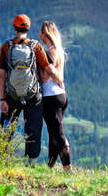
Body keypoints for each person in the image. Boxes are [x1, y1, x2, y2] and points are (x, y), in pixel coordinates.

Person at [0, 14, 64, 164]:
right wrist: (60, 81)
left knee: (7, 125)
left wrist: (3, 99)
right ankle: (30, 162)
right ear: (28, 28)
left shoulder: (5, 47)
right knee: (33, 127)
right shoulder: (35, 46)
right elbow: (49, 68)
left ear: (14, 28)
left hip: (12, 95)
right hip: (33, 95)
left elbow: (2, 76)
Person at [39, 21, 71, 170]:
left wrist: (58, 79)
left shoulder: (47, 53)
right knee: (54, 133)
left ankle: (67, 168)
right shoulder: (59, 51)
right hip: (61, 96)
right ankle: (50, 167)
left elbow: (48, 72)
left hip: (50, 97)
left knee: (58, 135)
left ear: (44, 34)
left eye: (41, 33)